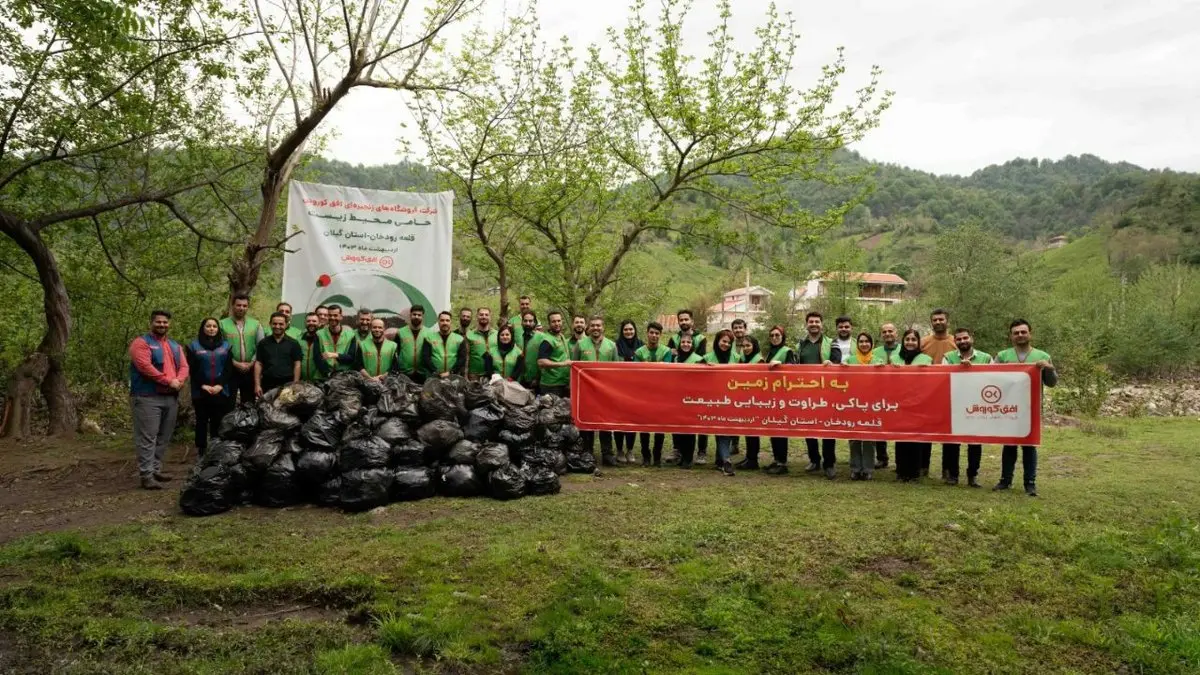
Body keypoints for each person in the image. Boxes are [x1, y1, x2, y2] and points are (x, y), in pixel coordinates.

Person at [994, 319, 1057, 497]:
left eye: (1023, 332)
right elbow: (992, 379)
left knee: (1029, 446)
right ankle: (1005, 480)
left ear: (1030, 333)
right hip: (1007, 409)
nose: (1020, 335)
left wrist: (1049, 368)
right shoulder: (1002, 356)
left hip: (1031, 409)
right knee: (1009, 445)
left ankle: (1030, 483)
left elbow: (1051, 383)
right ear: (1011, 336)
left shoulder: (1042, 356)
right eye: (1016, 333)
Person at [128, 309, 189, 490]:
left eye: (165, 322)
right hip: (147, 397)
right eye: (158, 322)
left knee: (164, 436)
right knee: (148, 437)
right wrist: (169, 380)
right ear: (151, 323)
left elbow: (184, 366)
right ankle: (146, 475)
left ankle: (155, 469)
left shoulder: (174, 346)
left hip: (170, 397)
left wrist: (179, 381)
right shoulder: (141, 343)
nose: (162, 325)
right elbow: (145, 367)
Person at [942, 327, 992, 487]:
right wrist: (958, 370)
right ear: (954, 341)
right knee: (951, 443)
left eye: (965, 338)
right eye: (959, 339)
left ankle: (972, 476)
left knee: (975, 443)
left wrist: (973, 370)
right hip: (953, 406)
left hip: (977, 407)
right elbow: (942, 380)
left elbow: (994, 380)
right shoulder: (947, 358)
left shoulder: (986, 358)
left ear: (972, 338)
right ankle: (953, 475)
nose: (962, 341)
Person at [796, 312, 840, 479]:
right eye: (811, 321)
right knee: (809, 427)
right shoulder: (801, 344)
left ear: (822, 324)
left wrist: (832, 363)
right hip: (805, 392)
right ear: (806, 324)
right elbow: (794, 365)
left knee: (828, 428)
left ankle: (829, 464)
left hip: (827, 392)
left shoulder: (832, 342)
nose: (814, 324)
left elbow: (837, 360)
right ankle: (814, 460)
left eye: (817, 321)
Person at [573, 316, 618, 466]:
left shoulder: (611, 346)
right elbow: (574, 368)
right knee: (586, 422)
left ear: (603, 327)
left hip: (605, 391)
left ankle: (607, 454)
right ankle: (587, 452)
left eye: (598, 325)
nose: (595, 328)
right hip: (585, 390)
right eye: (592, 325)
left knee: (605, 422)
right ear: (588, 328)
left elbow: (617, 370)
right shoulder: (580, 345)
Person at [187, 317, 233, 458]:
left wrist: (220, 385)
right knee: (201, 420)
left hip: (220, 390)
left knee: (217, 420)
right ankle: (201, 450)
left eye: (214, 326)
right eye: (208, 326)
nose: (211, 328)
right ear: (203, 328)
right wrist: (203, 385)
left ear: (218, 329)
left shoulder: (226, 346)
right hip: (200, 391)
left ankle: (215, 449)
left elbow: (228, 368)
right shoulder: (193, 346)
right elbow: (192, 369)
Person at [895, 329, 933, 483]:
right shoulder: (894, 358)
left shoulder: (926, 359)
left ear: (918, 343)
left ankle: (914, 472)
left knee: (916, 439)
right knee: (901, 438)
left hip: (919, 404)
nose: (910, 342)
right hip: (900, 404)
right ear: (903, 341)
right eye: (907, 339)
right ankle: (901, 471)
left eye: (913, 339)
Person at [843, 332, 882, 480]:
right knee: (854, 438)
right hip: (852, 403)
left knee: (869, 438)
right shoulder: (850, 360)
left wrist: (883, 369)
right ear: (857, 344)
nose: (864, 344)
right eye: (861, 342)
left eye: (867, 341)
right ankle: (855, 468)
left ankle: (867, 469)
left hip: (871, 404)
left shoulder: (877, 360)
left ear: (871, 344)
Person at [634, 321, 673, 466]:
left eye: (657, 333)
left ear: (660, 335)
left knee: (659, 426)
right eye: (652, 333)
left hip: (661, 394)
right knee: (644, 426)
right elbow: (637, 374)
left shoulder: (666, 351)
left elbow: (667, 372)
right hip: (643, 394)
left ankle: (657, 455)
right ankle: (645, 455)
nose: (654, 335)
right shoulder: (639, 352)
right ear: (647, 333)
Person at [762, 326, 797, 475]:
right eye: (772, 335)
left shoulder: (787, 351)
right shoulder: (771, 351)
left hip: (783, 396)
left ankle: (782, 463)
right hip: (771, 396)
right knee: (773, 429)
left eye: (777, 335)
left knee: (781, 430)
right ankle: (776, 460)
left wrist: (781, 366)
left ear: (782, 336)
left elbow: (794, 369)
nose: (775, 337)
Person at [705, 329, 740, 476]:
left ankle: (722, 460)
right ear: (717, 341)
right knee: (721, 429)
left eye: (728, 342)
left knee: (725, 430)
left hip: (731, 400)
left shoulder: (737, 357)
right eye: (723, 341)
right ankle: (725, 460)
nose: (725, 344)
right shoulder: (707, 358)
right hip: (712, 400)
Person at [220, 293, 264, 404]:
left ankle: (247, 422)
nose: (241, 308)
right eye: (238, 305)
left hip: (250, 370)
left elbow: (261, 347)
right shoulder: (222, 324)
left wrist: (252, 363)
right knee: (228, 403)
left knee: (248, 404)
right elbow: (220, 348)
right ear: (232, 305)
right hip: (230, 369)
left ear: (248, 307)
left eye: (244, 306)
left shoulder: (256, 324)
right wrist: (234, 363)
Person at [871, 322, 902, 469]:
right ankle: (882, 458)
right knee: (879, 426)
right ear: (881, 335)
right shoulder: (875, 351)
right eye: (884, 332)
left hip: (900, 394)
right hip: (880, 394)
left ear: (896, 333)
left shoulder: (905, 349)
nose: (888, 334)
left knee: (900, 427)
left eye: (890, 331)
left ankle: (900, 460)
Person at [671, 334, 705, 469]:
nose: (686, 344)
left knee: (689, 430)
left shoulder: (698, 359)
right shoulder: (675, 358)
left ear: (692, 344)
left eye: (688, 342)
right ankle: (681, 456)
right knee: (678, 430)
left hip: (692, 398)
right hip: (677, 397)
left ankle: (688, 458)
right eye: (683, 342)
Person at [613, 319, 643, 464]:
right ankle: (619, 450)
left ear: (635, 330)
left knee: (632, 420)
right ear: (622, 331)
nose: (629, 332)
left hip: (635, 389)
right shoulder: (616, 345)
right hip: (618, 388)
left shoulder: (641, 345)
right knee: (619, 419)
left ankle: (630, 450)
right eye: (626, 329)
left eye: (631, 329)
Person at [734, 336, 764, 470]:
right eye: (743, 346)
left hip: (755, 401)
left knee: (753, 431)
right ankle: (749, 457)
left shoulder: (759, 360)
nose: (745, 348)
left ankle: (753, 460)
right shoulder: (743, 359)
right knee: (748, 430)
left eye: (748, 346)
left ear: (754, 346)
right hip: (745, 400)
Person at [254, 312, 302, 396]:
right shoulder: (263, 343)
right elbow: (258, 364)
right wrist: (257, 385)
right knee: (267, 408)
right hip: (267, 383)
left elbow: (297, 364)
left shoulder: (294, 343)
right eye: (274, 324)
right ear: (270, 324)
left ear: (286, 325)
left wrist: (295, 384)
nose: (277, 326)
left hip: (287, 384)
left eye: (281, 324)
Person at [536, 311, 572, 396]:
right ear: (549, 323)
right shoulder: (547, 340)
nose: (557, 324)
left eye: (559, 321)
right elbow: (541, 362)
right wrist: (563, 364)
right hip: (551, 385)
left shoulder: (561, 336)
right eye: (553, 321)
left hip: (563, 383)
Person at [423, 311, 468, 378]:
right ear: (438, 322)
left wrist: (451, 372)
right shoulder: (429, 338)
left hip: (453, 376)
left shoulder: (459, 339)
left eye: (447, 320)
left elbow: (462, 359)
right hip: (434, 376)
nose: (445, 323)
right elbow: (426, 358)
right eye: (442, 320)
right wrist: (435, 371)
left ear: (450, 322)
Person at [395, 304, 431, 382]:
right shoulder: (400, 332)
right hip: (405, 373)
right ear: (410, 315)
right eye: (414, 314)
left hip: (423, 374)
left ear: (422, 317)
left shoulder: (429, 333)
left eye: (419, 315)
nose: (416, 317)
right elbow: (397, 351)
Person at [318, 305, 356, 373]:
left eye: (335, 315)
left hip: (344, 375)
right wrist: (327, 373)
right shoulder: (319, 334)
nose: (332, 318)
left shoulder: (351, 335)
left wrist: (335, 355)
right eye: (330, 315)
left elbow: (351, 358)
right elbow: (317, 358)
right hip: (325, 376)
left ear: (341, 317)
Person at [466, 307, 498, 380]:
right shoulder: (469, 334)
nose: (484, 317)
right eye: (481, 314)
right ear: (477, 316)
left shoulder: (497, 334)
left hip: (493, 374)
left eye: (486, 315)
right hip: (474, 375)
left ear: (490, 317)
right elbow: (466, 357)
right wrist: (466, 375)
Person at [297, 312, 329, 382]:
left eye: (314, 321)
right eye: (308, 321)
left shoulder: (324, 338)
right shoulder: (298, 339)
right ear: (305, 323)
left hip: (320, 380)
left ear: (319, 323)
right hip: (303, 380)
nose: (311, 323)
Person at [518, 311, 543, 389]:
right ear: (522, 322)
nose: (528, 323)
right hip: (521, 380)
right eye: (525, 321)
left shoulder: (541, 337)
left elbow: (545, 359)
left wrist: (538, 378)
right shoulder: (519, 338)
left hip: (536, 381)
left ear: (535, 322)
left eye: (530, 321)